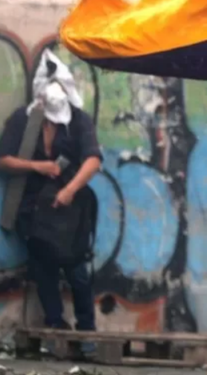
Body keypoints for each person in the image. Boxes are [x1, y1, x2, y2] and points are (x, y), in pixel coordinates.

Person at [0, 50, 100, 353]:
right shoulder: (23, 119)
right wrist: (37, 167)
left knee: (77, 273)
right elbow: (4, 159)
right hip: (33, 210)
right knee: (43, 270)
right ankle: (56, 328)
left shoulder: (78, 120)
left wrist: (69, 189)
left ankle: (87, 335)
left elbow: (93, 159)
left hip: (70, 211)